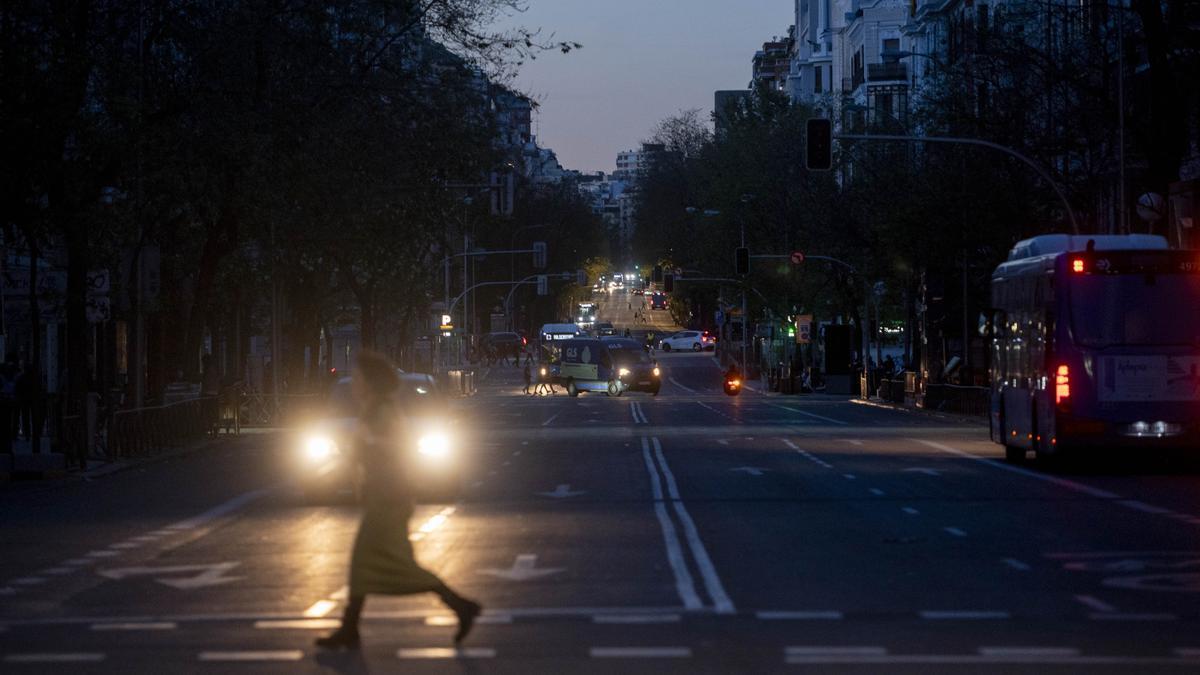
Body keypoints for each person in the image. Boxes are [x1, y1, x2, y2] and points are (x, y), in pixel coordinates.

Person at [316, 351, 481, 650]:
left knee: (387, 564)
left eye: (359, 377)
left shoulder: (384, 409)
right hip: (382, 495)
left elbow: (397, 445)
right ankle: (350, 627)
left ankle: (461, 605)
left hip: (390, 496)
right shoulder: (371, 409)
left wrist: (369, 443)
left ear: (371, 381)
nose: (355, 383)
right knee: (364, 563)